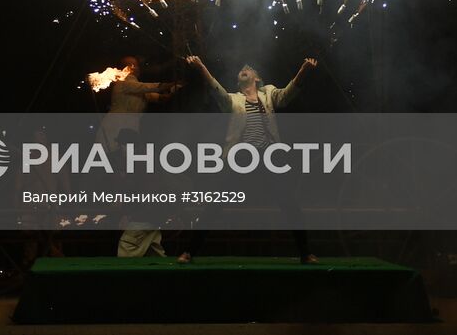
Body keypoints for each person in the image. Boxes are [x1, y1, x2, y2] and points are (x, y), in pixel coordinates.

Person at [177, 55, 319, 264]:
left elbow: (288, 94)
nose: (244, 68)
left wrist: (303, 71)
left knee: (289, 203)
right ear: (238, 80)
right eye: (241, 69)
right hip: (241, 157)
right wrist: (200, 67)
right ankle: (189, 251)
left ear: (257, 78)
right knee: (216, 203)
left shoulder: (269, 94)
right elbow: (215, 88)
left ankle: (305, 253)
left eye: (249, 68)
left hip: (268, 155)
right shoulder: (233, 100)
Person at [107, 56, 180, 258]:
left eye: (136, 64)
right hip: (116, 128)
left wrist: (173, 89)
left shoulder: (138, 159)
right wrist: (165, 84)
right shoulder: (125, 81)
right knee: (154, 250)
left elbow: (158, 96)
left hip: (147, 212)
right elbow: (149, 88)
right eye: (133, 64)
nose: (135, 67)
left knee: (128, 248)